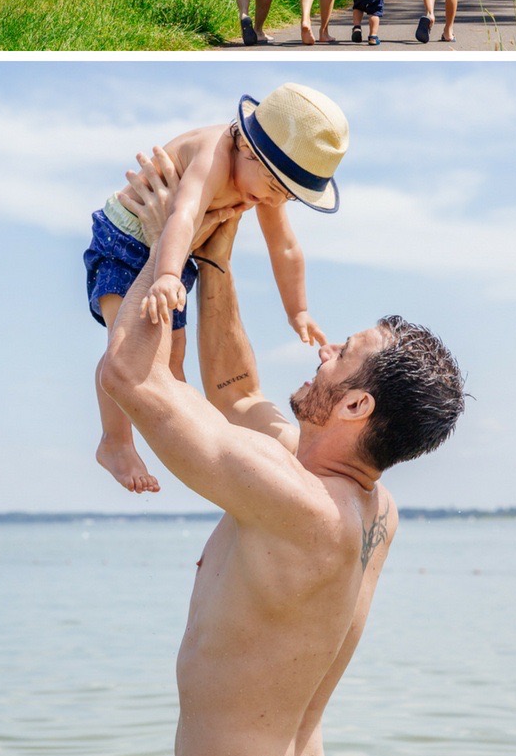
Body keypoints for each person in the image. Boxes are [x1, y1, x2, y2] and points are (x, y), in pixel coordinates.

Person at [99, 150, 465, 756]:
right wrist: (215, 248)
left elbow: (131, 375)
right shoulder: (363, 505)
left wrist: (167, 246)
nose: (324, 351)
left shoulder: (301, 508)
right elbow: (236, 392)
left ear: (356, 403)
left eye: (342, 353)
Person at [83, 83, 349, 494]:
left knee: (172, 363)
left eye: (285, 195)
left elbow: (286, 247)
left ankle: (196, 451)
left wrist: (298, 311)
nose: (272, 200)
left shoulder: (261, 178)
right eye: (273, 187)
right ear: (245, 144)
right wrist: (169, 275)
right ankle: (114, 441)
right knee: (125, 347)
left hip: (175, 249)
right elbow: (183, 215)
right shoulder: (213, 155)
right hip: (127, 236)